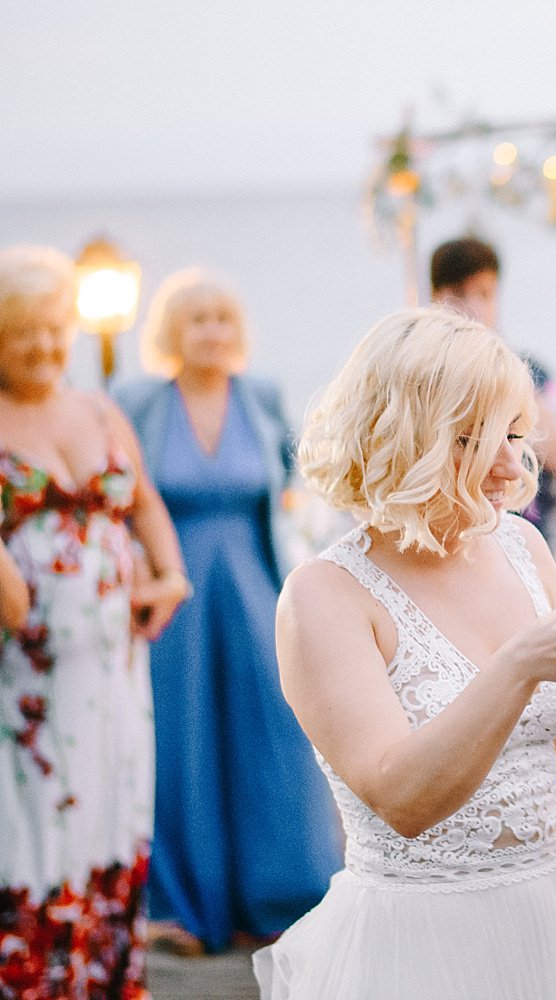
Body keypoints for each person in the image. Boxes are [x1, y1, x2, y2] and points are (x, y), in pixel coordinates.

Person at [253, 307, 556, 999]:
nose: (513, 466)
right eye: (479, 440)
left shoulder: (522, 547)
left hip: (547, 909)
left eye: (517, 435)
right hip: (419, 935)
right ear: (408, 440)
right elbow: (402, 798)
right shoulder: (324, 596)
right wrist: (518, 665)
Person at [113, 269, 341, 956]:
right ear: (170, 332)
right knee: (179, 746)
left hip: (252, 590)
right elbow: (119, 495)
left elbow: (302, 487)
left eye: (221, 318)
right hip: (172, 600)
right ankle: (179, 907)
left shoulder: (263, 396)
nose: (211, 331)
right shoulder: (137, 400)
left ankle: (280, 895)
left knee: (271, 736)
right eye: (196, 319)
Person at [0, 244, 188, 995]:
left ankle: (103, 979)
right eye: (23, 334)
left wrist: (169, 575)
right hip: (25, 683)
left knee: (112, 812)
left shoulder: (99, 408)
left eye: (53, 329)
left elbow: (142, 502)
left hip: (113, 670)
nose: (44, 347)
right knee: (36, 830)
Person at [430, 236, 556, 540]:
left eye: (484, 294)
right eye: (459, 294)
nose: (473, 307)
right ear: (436, 297)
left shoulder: (530, 372)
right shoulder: (424, 376)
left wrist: (502, 360)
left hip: (525, 531)